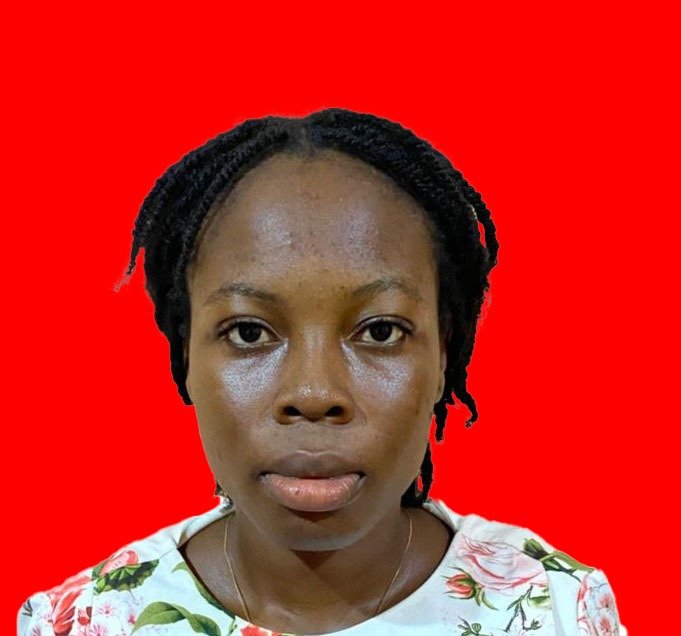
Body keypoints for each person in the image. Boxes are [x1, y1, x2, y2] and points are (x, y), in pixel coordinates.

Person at [17, 108, 626, 636]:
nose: (313, 393)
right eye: (249, 332)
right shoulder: (84, 621)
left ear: (444, 356)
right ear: (184, 358)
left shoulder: (555, 609)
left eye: (380, 331)